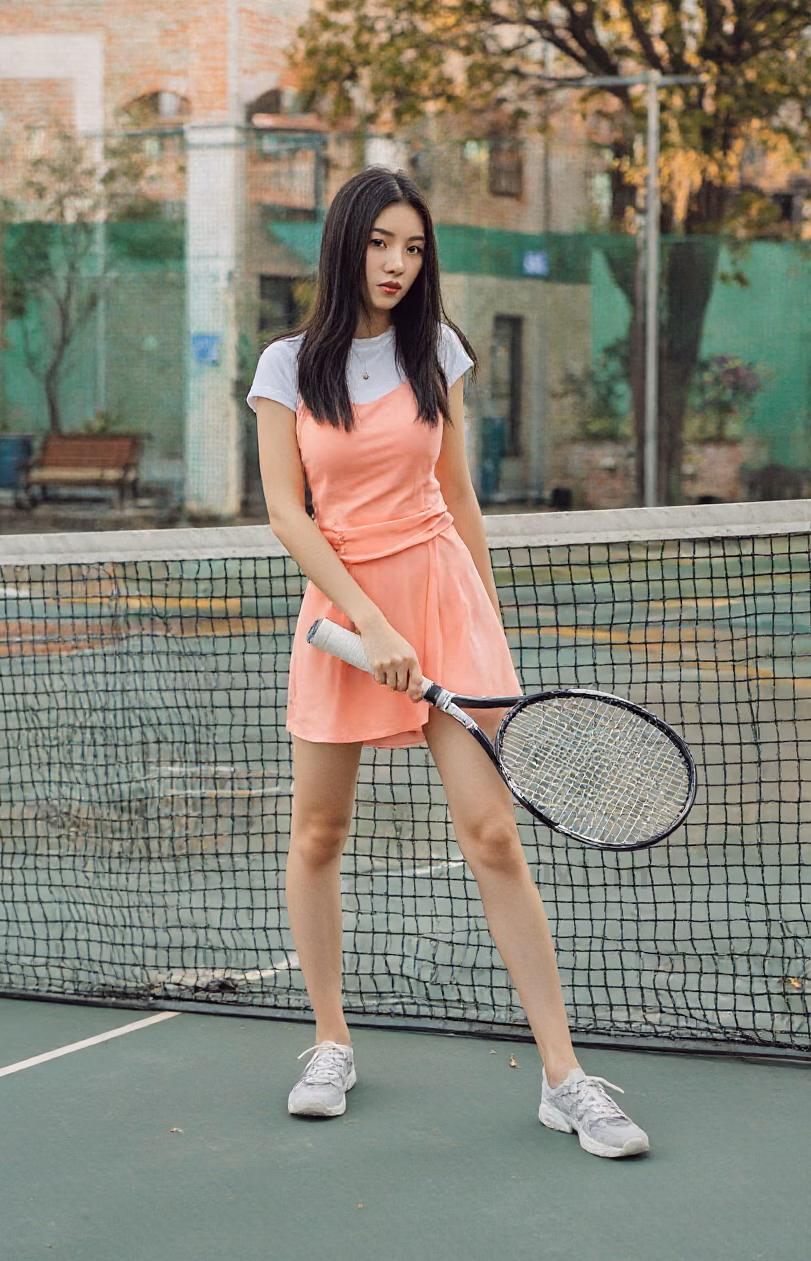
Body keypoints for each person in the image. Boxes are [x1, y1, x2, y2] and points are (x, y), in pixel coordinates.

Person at [248, 167, 649, 1159]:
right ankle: (330, 1041)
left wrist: (483, 624)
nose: (397, 263)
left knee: (493, 835)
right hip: (345, 612)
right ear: (345, 244)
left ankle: (564, 1077)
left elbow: (459, 493)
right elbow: (289, 513)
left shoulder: (437, 350)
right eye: (380, 242)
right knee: (317, 832)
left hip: (445, 596)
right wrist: (368, 620)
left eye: (414, 247)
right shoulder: (286, 366)